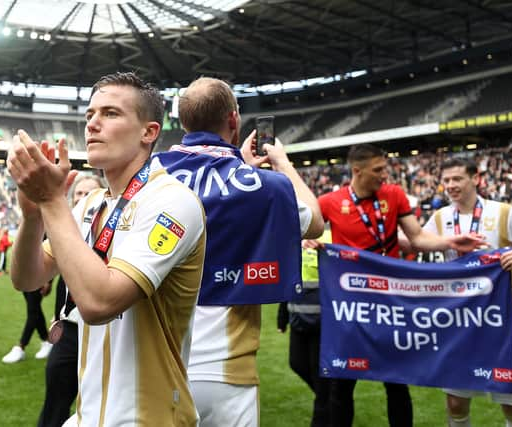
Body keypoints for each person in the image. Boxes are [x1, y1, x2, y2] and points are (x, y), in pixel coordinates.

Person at [7, 71, 206, 426]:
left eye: (110, 113)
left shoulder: (172, 201)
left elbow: (100, 303)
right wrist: (33, 216)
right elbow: (26, 277)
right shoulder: (91, 205)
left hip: (148, 417)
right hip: (89, 414)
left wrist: (52, 201)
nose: (93, 124)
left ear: (149, 132)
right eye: (90, 115)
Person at [155, 77, 324, 427]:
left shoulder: (148, 175)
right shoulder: (265, 186)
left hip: (158, 363)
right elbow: (315, 222)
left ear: (183, 121)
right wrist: (283, 164)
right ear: (234, 120)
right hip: (227, 370)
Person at [304, 144, 484, 427]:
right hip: (351, 308)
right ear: (356, 171)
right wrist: (309, 239)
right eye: (378, 170)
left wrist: (450, 242)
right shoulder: (330, 201)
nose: (384, 175)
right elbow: (308, 228)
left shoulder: (394, 195)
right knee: (342, 385)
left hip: (389, 305)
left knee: (397, 383)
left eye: (385, 169)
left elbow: (417, 238)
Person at [422, 158, 512, 427]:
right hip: (458, 322)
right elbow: (412, 242)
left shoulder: (505, 213)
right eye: (446, 181)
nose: (451, 185)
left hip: (504, 322)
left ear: (475, 179)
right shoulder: (440, 218)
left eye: (457, 179)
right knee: (455, 402)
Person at [37, 173, 105, 427]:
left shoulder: (117, 233)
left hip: (104, 333)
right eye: (79, 193)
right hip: (69, 333)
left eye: (91, 192)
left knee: (98, 407)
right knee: (55, 402)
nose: (85, 198)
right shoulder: (62, 233)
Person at [277, 233, 331, 427]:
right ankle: (329, 399)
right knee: (297, 363)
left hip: (323, 320)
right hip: (298, 317)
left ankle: (322, 416)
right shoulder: (295, 239)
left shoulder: (331, 237)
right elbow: (288, 280)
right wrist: (282, 318)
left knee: (319, 374)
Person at [1, 285, 54, 363]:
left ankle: (21, 346)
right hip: (27, 276)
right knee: (35, 309)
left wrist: (48, 281)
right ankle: (46, 341)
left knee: (33, 311)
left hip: (39, 277)